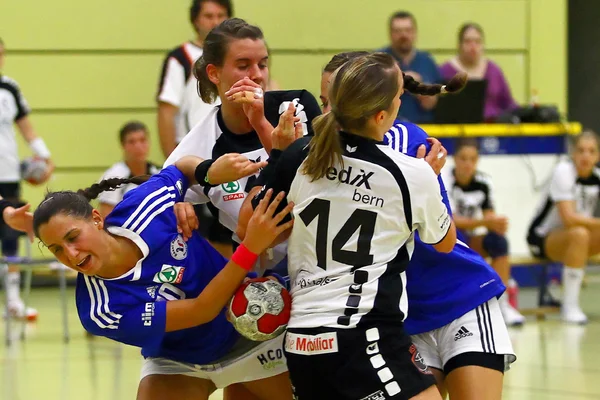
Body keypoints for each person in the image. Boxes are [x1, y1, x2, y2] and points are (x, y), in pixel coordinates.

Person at [240, 51, 515, 400]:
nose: (324, 113)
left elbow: (256, 227)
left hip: (448, 297)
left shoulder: (312, 154)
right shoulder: (320, 155)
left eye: (330, 102)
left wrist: (279, 152)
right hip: (375, 324)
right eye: (322, 102)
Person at [32, 152, 295, 400]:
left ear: (97, 219)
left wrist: (208, 171)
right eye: (57, 249)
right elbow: (201, 310)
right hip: (180, 362)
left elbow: (181, 169)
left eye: (73, 237)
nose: (70, 253)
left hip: (249, 337)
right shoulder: (99, 310)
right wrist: (251, 246)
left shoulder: (144, 208)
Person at [164, 18, 321, 272]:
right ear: (214, 73)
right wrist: (177, 202)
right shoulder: (200, 142)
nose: (257, 76)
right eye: (243, 66)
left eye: (262, 64)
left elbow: (316, 179)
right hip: (260, 278)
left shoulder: (296, 106)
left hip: (319, 261)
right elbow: (156, 193)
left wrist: (260, 122)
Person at [441, 138, 525, 326]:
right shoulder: (445, 179)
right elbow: (449, 220)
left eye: (472, 159)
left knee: (498, 241)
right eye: (463, 158)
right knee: (457, 236)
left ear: (477, 160)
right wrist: (484, 221)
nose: (468, 164)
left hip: (468, 236)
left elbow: (489, 218)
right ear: (455, 159)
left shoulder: (484, 182)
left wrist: (496, 224)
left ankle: (502, 305)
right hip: (446, 237)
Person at [0, 37, 55, 320]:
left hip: (7, 175)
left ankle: (12, 301)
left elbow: (27, 130)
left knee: (10, 235)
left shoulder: (10, 88)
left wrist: (44, 158)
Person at [527, 131, 600, 324]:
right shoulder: (564, 171)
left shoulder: (597, 177)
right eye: (581, 150)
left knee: (581, 234)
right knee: (579, 233)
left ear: (597, 156)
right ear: (573, 153)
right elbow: (568, 219)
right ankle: (570, 306)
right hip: (542, 237)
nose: (586, 156)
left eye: (591, 151)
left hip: (577, 238)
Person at [157, 0, 233, 158]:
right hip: (193, 154)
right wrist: (172, 162)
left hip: (232, 149)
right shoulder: (180, 58)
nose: (215, 21)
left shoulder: (238, 56)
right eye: (209, 16)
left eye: (221, 16)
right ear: (196, 20)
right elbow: (166, 112)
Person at [439, 23, 518, 122]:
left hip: (492, 132)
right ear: (459, 45)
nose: (473, 47)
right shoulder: (445, 71)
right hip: (455, 132)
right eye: (468, 42)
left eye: (477, 42)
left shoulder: (494, 71)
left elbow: (508, 103)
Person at [378, 11, 441, 123]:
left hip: (424, 129)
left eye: (408, 30)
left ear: (415, 33)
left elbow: (433, 104)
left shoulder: (427, 61)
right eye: (398, 31)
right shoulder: (379, 60)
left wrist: (420, 86)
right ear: (390, 34)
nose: (403, 35)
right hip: (387, 129)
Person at [98, 121, 160, 217]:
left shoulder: (158, 174)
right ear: (123, 146)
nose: (138, 147)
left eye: (142, 140)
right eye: (132, 142)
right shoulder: (112, 177)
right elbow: (106, 218)